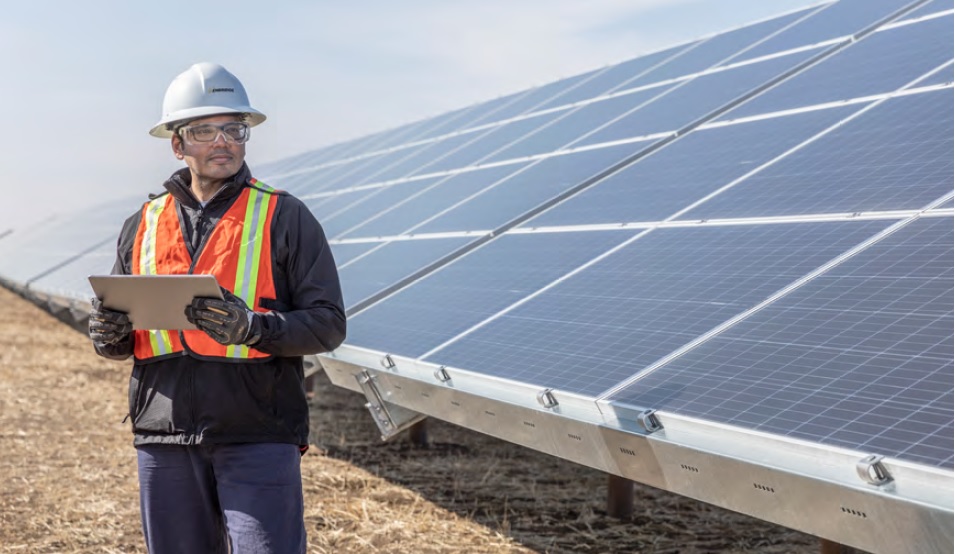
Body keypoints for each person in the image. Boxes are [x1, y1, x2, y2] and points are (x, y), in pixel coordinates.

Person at [88, 62, 346, 554]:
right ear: (178, 144)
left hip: (258, 432)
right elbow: (122, 333)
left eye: (234, 129)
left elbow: (328, 324)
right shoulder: (141, 223)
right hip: (163, 434)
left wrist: (254, 327)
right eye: (204, 130)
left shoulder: (284, 215)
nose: (222, 141)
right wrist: (109, 335)